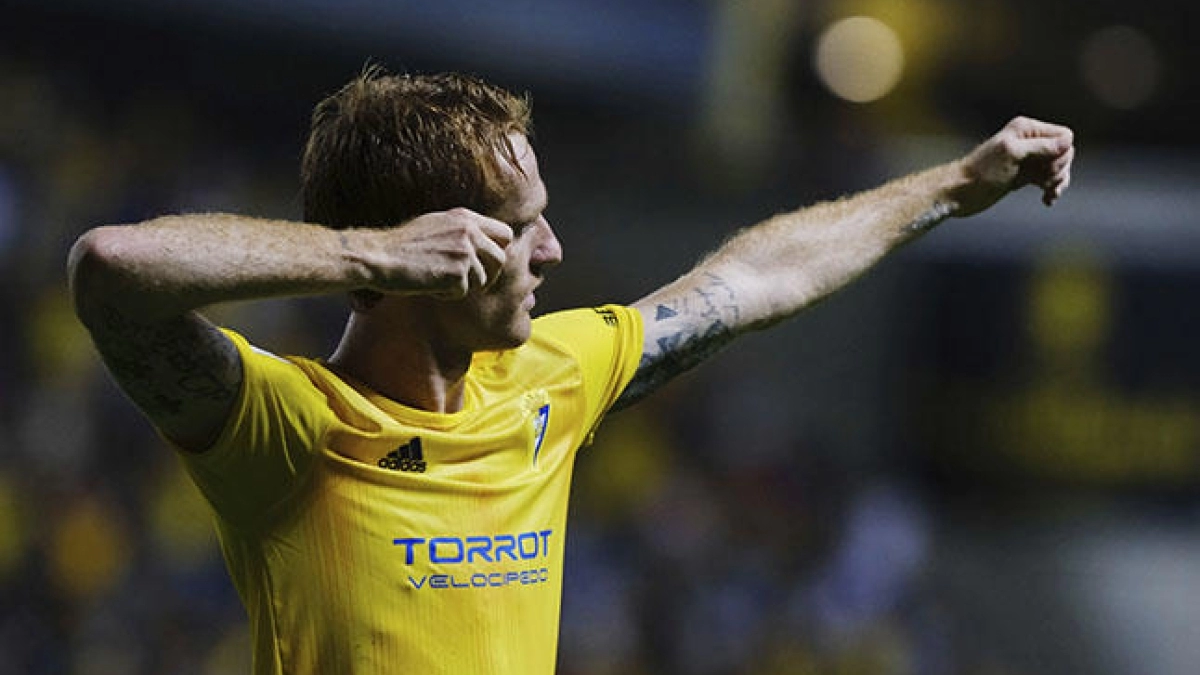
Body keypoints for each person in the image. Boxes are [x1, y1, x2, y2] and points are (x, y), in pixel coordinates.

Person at [67, 69, 1074, 674]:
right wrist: (361, 254)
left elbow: (755, 278)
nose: (550, 251)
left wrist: (951, 183)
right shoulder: (287, 432)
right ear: (427, 248)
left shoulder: (556, 373)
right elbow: (112, 270)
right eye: (516, 230)